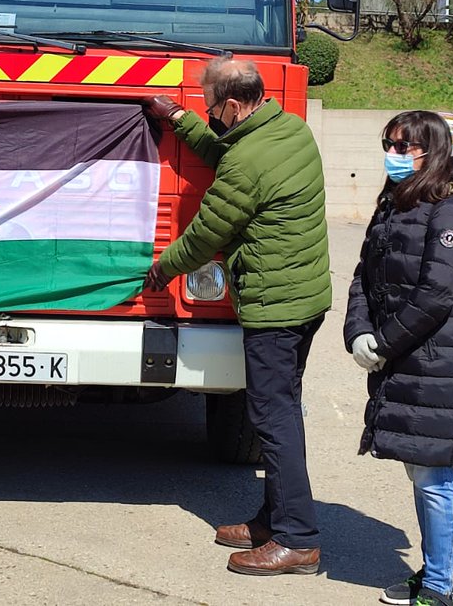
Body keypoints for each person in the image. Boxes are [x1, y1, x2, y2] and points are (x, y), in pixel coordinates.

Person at [144, 57, 331, 577]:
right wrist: (180, 119)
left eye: (210, 108)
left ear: (231, 104)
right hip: (303, 297)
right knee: (281, 413)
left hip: (276, 307)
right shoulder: (285, 129)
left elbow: (208, 232)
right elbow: (227, 151)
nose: (211, 116)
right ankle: (274, 519)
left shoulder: (250, 161)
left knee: (273, 421)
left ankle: (298, 539)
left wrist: (163, 269)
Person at [344, 111, 453, 606]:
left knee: (434, 476)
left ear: (432, 151)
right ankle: (432, 572)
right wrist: (358, 331)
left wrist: (385, 342)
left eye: (404, 147)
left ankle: (441, 586)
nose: (393, 155)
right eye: (389, 144)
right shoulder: (394, 203)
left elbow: (439, 293)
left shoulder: (448, 209)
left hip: (434, 359)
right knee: (418, 470)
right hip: (401, 354)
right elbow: (364, 274)